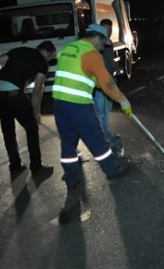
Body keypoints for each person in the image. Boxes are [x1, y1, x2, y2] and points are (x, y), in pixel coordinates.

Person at [52, 24, 132, 221]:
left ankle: (71, 179)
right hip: (78, 105)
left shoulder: (69, 49)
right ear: (96, 38)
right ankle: (112, 170)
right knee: (96, 141)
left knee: (68, 145)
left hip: (60, 105)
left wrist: (98, 81)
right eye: (103, 42)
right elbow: (106, 82)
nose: (103, 46)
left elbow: (85, 75)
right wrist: (122, 100)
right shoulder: (92, 54)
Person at [0, 40, 56, 177]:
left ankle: (15, 166)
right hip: (13, 93)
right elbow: (37, 90)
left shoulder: (20, 49)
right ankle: (36, 167)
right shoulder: (42, 63)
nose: (49, 59)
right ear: (46, 52)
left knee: (8, 129)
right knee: (32, 128)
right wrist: (36, 112)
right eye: (50, 56)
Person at [93, 19, 123, 157]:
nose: (108, 32)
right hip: (100, 84)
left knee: (107, 110)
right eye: (106, 29)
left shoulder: (109, 43)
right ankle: (103, 138)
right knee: (100, 112)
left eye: (110, 30)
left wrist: (115, 70)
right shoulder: (97, 44)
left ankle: (106, 133)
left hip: (109, 82)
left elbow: (109, 61)